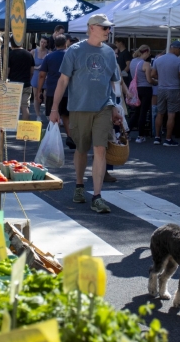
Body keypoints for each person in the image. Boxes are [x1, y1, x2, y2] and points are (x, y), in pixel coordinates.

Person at [49, 14, 122, 213]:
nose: (108, 31)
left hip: (103, 108)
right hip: (79, 107)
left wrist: (116, 106)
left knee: (100, 149)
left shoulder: (109, 53)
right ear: (92, 28)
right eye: (104, 27)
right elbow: (63, 81)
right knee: (81, 149)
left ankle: (97, 196)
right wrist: (54, 109)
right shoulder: (74, 50)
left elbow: (113, 82)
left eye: (109, 28)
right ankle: (79, 185)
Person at [151, 41, 180, 147]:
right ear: (176, 49)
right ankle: (168, 139)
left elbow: (153, 74)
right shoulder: (179, 61)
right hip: (174, 89)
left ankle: (157, 137)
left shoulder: (158, 60)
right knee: (171, 114)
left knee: (160, 113)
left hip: (161, 89)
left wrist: (162, 77)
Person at [38, 35, 72, 145]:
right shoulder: (70, 56)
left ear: (54, 44)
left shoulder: (49, 57)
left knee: (53, 115)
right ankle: (70, 136)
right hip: (68, 91)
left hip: (52, 90)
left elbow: (42, 75)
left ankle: (54, 141)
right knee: (66, 116)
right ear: (66, 44)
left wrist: (39, 91)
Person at [129, 45, 155, 143]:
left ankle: (126, 133)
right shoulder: (146, 64)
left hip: (136, 89)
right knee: (143, 112)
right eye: (149, 53)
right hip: (146, 89)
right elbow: (149, 80)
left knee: (136, 112)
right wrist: (156, 82)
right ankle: (140, 135)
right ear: (146, 52)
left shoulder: (132, 62)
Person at [7, 35, 35, 120]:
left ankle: (12, 126)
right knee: (25, 107)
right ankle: (25, 126)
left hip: (13, 84)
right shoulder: (29, 54)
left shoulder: (10, 55)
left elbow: (7, 71)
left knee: (12, 108)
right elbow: (32, 71)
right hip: (26, 84)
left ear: (11, 43)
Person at [31, 37, 50, 119]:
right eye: (42, 42)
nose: (42, 44)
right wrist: (36, 68)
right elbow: (29, 65)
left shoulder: (49, 53)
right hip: (36, 75)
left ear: (47, 44)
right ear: (39, 42)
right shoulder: (33, 52)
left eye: (44, 42)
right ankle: (38, 115)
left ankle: (47, 113)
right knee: (36, 96)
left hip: (46, 76)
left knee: (46, 95)